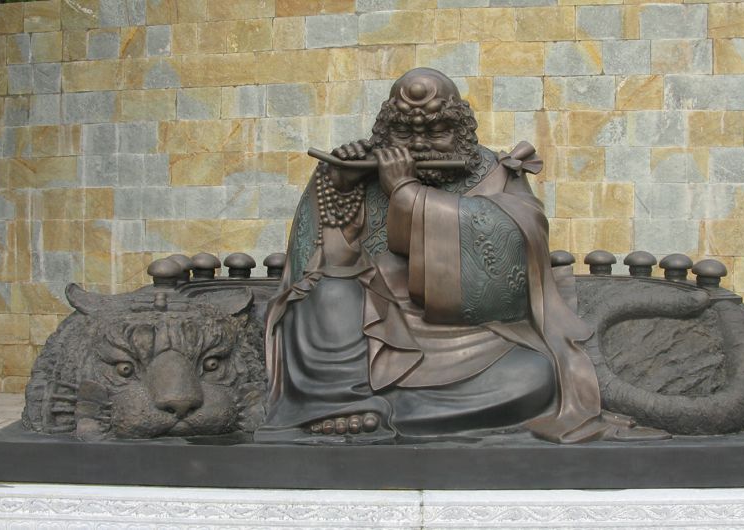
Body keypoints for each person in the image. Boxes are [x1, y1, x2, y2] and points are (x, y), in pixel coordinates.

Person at [256, 68, 656, 444]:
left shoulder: (497, 172)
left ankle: (389, 411)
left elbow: (510, 266)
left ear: (461, 131)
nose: (417, 145)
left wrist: (407, 194)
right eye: (403, 133)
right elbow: (314, 271)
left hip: (472, 335)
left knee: (536, 376)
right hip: (369, 334)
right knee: (325, 295)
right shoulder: (351, 171)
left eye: (436, 132)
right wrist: (341, 190)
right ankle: (344, 399)